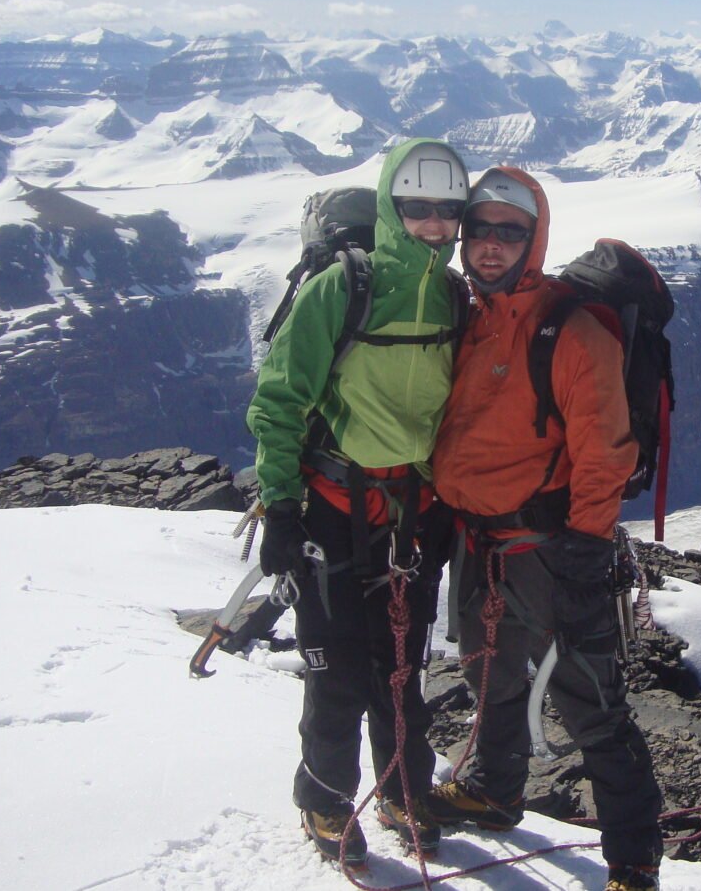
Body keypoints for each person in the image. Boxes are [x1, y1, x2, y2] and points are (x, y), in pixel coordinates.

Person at [424, 167, 665, 891]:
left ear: (534, 240)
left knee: (589, 698)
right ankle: (497, 791)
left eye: (509, 232)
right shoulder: (472, 315)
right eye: (480, 231)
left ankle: (632, 858)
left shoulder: (573, 328)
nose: (490, 246)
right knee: (488, 672)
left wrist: (588, 549)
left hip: (550, 546)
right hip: (479, 540)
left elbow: (605, 452)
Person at [246, 137, 470, 867]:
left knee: (400, 664)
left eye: (446, 210)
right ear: (389, 207)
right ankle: (325, 801)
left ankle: (404, 788)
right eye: (416, 208)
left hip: (411, 514)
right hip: (331, 508)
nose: (433, 224)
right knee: (336, 668)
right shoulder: (343, 288)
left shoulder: (454, 297)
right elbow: (280, 401)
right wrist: (279, 507)